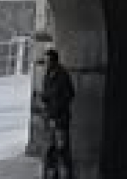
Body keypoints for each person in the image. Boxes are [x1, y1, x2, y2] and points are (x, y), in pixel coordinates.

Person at [41, 49, 76, 179]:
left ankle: (65, 175)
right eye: (45, 61)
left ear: (54, 61)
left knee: (62, 149)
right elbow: (46, 94)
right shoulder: (48, 75)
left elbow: (69, 95)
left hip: (60, 119)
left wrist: (56, 112)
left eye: (48, 61)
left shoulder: (63, 75)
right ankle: (51, 175)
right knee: (50, 149)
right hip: (50, 118)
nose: (45, 64)